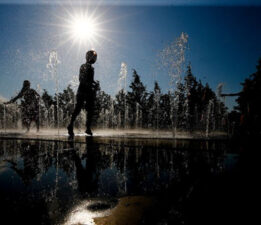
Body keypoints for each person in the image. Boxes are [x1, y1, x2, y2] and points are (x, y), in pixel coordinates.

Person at [67, 50, 98, 137]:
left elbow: (91, 80)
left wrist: (95, 84)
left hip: (89, 91)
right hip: (82, 90)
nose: (94, 59)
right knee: (78, 108)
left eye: (95, 57)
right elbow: (81, 79)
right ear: (88, 57)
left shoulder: (92, 68)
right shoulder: (83, 66)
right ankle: (70, 125)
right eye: (93, 57)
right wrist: (89, 84)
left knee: (90, 109)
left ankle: (88, 128)